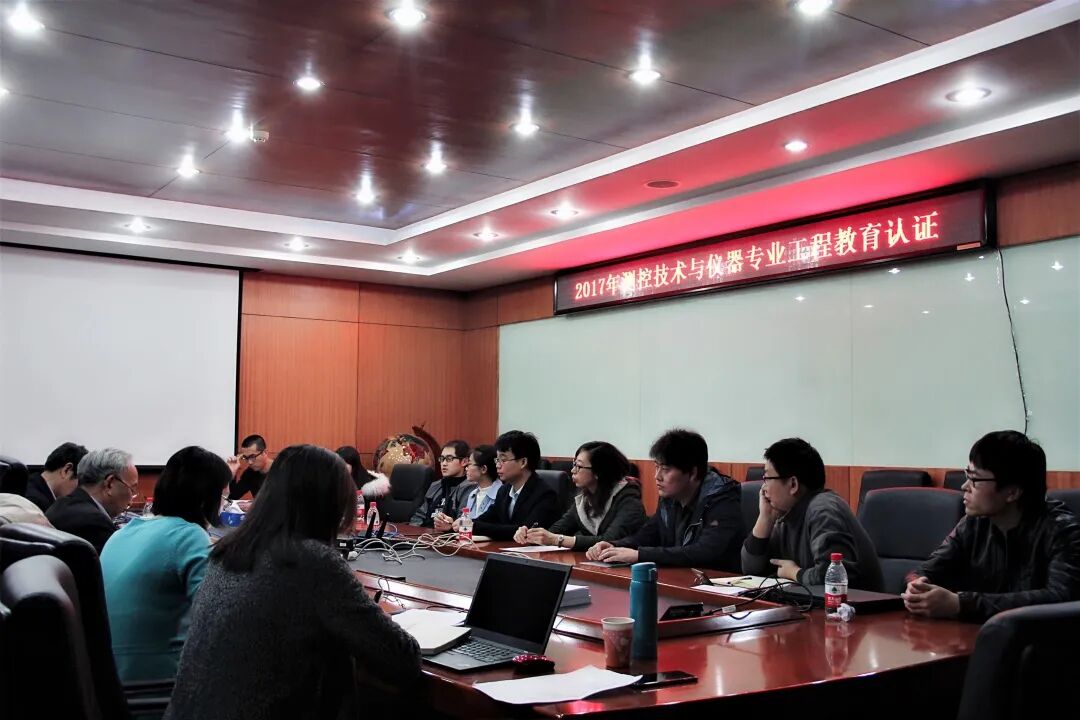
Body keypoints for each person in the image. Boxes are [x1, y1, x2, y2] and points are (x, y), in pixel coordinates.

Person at [164, 445, 421, 720]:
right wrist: (378, 618)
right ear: (329, 504)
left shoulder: (227, 550)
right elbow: (402, 659)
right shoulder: (312, 560)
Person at [903, 431, 1080, 621]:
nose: (964, 486)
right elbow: (923, 571)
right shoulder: (973, 523)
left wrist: (961, 604)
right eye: (967, 475)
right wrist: (917, 586)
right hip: (979, 633)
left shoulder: (1063, 530)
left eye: (975, 480)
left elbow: (1060, 598)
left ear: (1012, 492)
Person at [100, 446, 231, 683]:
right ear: (206, 498)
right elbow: (218, 618)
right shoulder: (190, 536)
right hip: (156, 685)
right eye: (223, 498)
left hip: (110, 681)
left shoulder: (123, 532)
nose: (222, 505)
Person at [587, 429, 743, 569]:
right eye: (656, 467)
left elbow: (703, 552)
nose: (657, 476)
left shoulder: (723, 499)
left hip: (720, 582)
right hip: (683, 578)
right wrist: (614, 546)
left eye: (666, 469)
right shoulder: (670, 497)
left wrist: (640, 555)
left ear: (692, 473)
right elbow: (648, 535)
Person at [742, 438, 884, 590]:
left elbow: (835, 578)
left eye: (767, 478)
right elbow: (751, 570)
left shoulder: (824, 510)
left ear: (793, 484)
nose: (763, 488)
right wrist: (765, 519)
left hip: (853, 604)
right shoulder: (785, 513)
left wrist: (795, 573)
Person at [517, 441, 646, 551]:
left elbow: (608, 541)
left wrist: (558, 540)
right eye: (574, 464)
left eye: (579, 466)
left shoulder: (629, 500)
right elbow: (557, 530)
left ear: (599, 472)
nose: (572, 470)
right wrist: (532, 535)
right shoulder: (584, 498)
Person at [455, 431, 558, 540]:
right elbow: (486, 519)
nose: (497, 465)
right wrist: (460, 524)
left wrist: (474, 526)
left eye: (503, 460)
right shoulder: (504, 490)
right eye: (497, 460)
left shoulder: (545, 494)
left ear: (523, 462)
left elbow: (525, 531)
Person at [46, 447, 138, 554]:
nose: (131, 501)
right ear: (110, 483)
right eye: (132, 489)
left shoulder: (60, 504)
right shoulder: (95, 523)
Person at [434, 444, 501, 532]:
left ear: (483, 469)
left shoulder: (501, 493)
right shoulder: (473, 494)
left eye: (469, 464)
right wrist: (451, 525)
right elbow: (466, 526)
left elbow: (491, 526)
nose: (466, 468)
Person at [411, 440, 473, 527]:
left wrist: (450, 526)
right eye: (442, 459)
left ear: (464, 461)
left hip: (448, 534)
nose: (443, 463)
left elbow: (463, 522)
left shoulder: (469, 488)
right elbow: (419, 516)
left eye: (449, 459)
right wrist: (412, 532)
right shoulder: (435, 485)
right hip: (425, 533)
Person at [25, 442, 88, 513]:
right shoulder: (38, 506)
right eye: (80, 482)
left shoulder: (27, 486)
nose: (80, 490)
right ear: (66, 470)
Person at [226, 434, 273, 500]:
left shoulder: (282, 470)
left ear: (265, 452)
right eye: (246, 458)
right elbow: (232, 497)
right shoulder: (250, 473)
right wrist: (231, 472)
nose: (249, 462)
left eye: (252, 457)